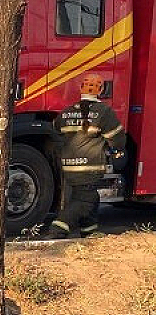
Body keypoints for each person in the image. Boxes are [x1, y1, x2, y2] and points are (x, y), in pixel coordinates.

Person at [44, 73, 126, 239]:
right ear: (101, 90)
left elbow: (56, 128)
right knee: (85, 201)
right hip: (90, 168)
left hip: (68, 167)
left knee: (91, 197)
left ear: (80, 88)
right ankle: (57, 229)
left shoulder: (67, 112)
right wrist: (118, 153)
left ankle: (89, 233)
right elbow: (118, 139)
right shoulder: (104, 112)